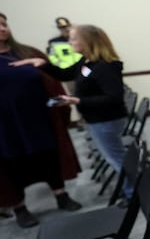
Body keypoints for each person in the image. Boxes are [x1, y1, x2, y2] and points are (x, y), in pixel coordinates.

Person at [13, 24, 133, 202]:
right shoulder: (86, 61)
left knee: (116, 157)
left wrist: (78, 101)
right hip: (96, 118)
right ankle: (130, 188)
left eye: (74, 38)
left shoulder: (105, 66)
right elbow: (65, 74)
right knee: (113, 155)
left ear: (88, 41)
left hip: (106, 119)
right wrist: (43, 64)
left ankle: (133, 193)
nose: (70, 42)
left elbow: (114, 98)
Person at [0, 12, 82, 228]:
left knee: (49, 155)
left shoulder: (26, 52)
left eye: (4, 24)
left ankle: (61, 194)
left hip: (39, 118)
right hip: (6, 126)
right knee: (12, 164)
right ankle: (20, 208)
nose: (2, 29)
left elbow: (51, 78)